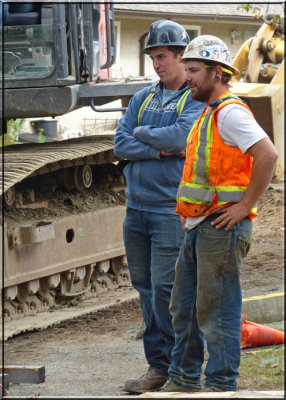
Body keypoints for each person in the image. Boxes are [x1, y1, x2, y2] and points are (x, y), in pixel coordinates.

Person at [161, 35, 278, 393]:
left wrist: (244, 206)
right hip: (201, 226)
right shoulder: (209, 113)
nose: (188, 77)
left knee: (218, 313)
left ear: (217, 74)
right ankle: (184, 378)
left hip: (222, 229)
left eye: (194, 70)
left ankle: (221, 384)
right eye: (187, 70)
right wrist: (190, 212)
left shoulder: (229, 112)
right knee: (184, 309)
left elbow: (268, 155)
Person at [114, 20, 204, 394]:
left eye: (163, 57)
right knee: (146, 290)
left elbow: (182, 138)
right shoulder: (143, 98)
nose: (157, 64)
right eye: (152, 57)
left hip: (170, 210)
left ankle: (185, 370)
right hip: (136, 210)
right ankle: (158, 366)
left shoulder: (194, 99)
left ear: (182, 56)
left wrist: (143, 136)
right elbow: (120, 143)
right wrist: (157, 146)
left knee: (169, 290)